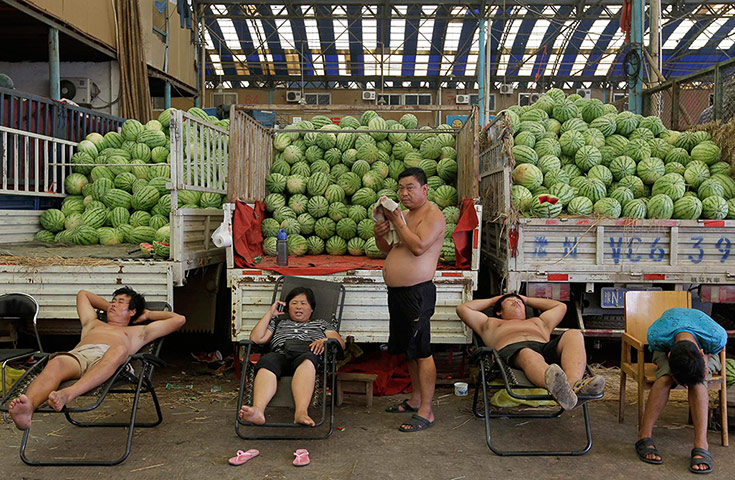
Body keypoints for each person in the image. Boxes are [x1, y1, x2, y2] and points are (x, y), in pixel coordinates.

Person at [8, 287, 185, 430]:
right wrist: (111, 305)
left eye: (120, 302)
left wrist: (146, 314)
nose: (113, 305)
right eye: (112, 301)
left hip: (111, 360)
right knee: (57, 362)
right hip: (80, 356)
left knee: (120, 349)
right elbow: (83, 294)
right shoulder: (92, 322)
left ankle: (69, 394)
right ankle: (27, 408)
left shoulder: (139, 332)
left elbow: (179, 319)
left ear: (132, 311)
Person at [374, 167, 446, 432]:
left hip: (418, 293)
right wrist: (380, 232)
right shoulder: (402, 215)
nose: (404, 194)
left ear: (424, 189)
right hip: (398, 293)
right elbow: (388, 248)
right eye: (401, 188)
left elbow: (417, 247)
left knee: (423, 351)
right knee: (410, 351)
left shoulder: (433, 215)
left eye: (410, 188)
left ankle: (427, 411)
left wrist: (398, 223)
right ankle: (416, 400)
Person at [456, 293, 605, 410]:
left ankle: (573, 387)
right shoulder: (489, 323)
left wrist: (526, 299)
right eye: (510, 301)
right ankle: (556, 388)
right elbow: (463, 309)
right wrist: (493, 300)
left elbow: (560, 306)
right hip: (512, 351)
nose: (516, 301)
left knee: (574, 334)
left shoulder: (540, 322)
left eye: (519, 301)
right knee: (528, 353)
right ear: (499, 311)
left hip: (543, 348)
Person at [635, 307, 726, 474]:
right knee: (664, 378)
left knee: (698, 383)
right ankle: (644, 435)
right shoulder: (657, 335)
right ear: (670, 356)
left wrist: (703, 361)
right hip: (667, 346)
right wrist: (672, 372)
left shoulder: (716, 336)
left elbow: (715, 352)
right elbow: (658, 352)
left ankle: (701, 443)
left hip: (706, 351)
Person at [239, 286, 345, 427]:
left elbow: (340, 343)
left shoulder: (321, 324)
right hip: (280, 355)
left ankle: (301, 412)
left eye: (303, 303)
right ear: (288, 308)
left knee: (307, 361)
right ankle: (258, 410)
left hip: (306, 355)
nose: (298, 307)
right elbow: (256, 338)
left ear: (311, 308)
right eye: (294, 303)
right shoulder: (279, 323)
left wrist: (324, 341)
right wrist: (270, 313)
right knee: (267, 362)